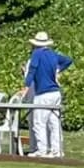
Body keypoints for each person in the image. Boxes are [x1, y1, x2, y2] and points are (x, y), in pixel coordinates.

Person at [19, 31, 72, 159]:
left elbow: (32, 71)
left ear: (35, 45)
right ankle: (57, 150)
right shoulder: (53, 55)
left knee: (38, 122)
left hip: (43, 93)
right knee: (54, 122)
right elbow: (68, 60)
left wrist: (25, 87)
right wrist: (58, 70)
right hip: (55, 93)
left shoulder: (36, 54)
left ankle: (41, 150)